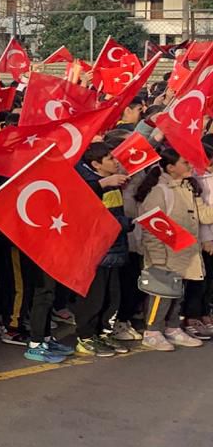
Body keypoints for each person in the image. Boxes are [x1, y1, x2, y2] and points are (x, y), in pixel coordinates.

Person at [133, 154, 203, 351]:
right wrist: (157, 258)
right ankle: (152, 331)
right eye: (185, 162)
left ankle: (172, 327)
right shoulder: (159, 191)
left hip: (182, 252)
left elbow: (198, 216)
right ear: (171, 167)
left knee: (177, 293)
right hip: (164, 253)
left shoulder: (186, 188)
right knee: (160, 294)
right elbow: (151, 226)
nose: (190, 164)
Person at [75, 144, 132, 356]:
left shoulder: (115, 182)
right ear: (96, 164)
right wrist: (125, 223)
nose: (115, 161)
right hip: (96, 251)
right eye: (109, 158)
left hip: (114, 249)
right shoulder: (89, 184)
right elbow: (88, 213)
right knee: (93, 297)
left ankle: (104, 333)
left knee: (112, 295)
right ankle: (86, 337)